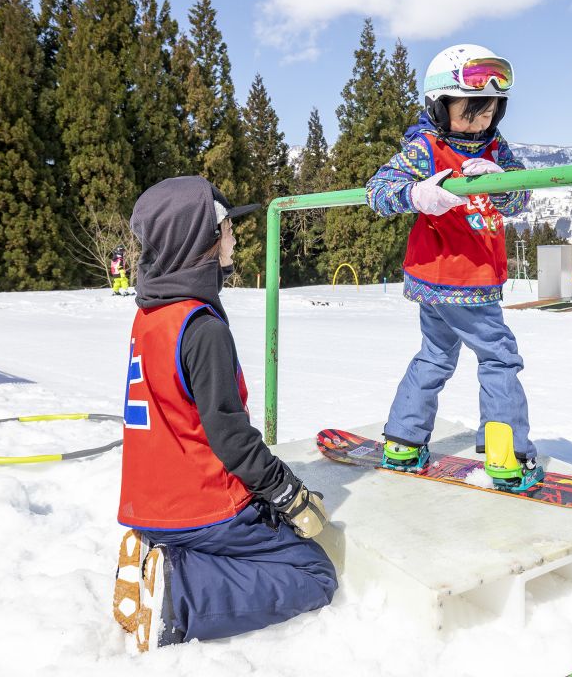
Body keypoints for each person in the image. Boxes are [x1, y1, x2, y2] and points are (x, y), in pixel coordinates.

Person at [112, 175, 337, 651]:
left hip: (148, 506)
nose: (235, 236)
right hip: (201, 507)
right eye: (228, 227)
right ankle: (181, 594)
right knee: (314, 573)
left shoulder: (150, 315)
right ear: (202, 240)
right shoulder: (201, 326)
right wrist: (286, 493)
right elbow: (230, 435)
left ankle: (166, 560)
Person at [365, 44, 540, 493]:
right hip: (462, 279)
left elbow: (522, 198)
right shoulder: (426, 146)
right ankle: (507, 457)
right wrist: (415, 194)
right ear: (440, 108)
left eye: (489, 113)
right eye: (469, 114)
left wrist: (503, 183)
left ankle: (403, 441)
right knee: (499, 356)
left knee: (436, 355)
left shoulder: (497, 149)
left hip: (444, 281)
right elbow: (378, 190)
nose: (480, 124)